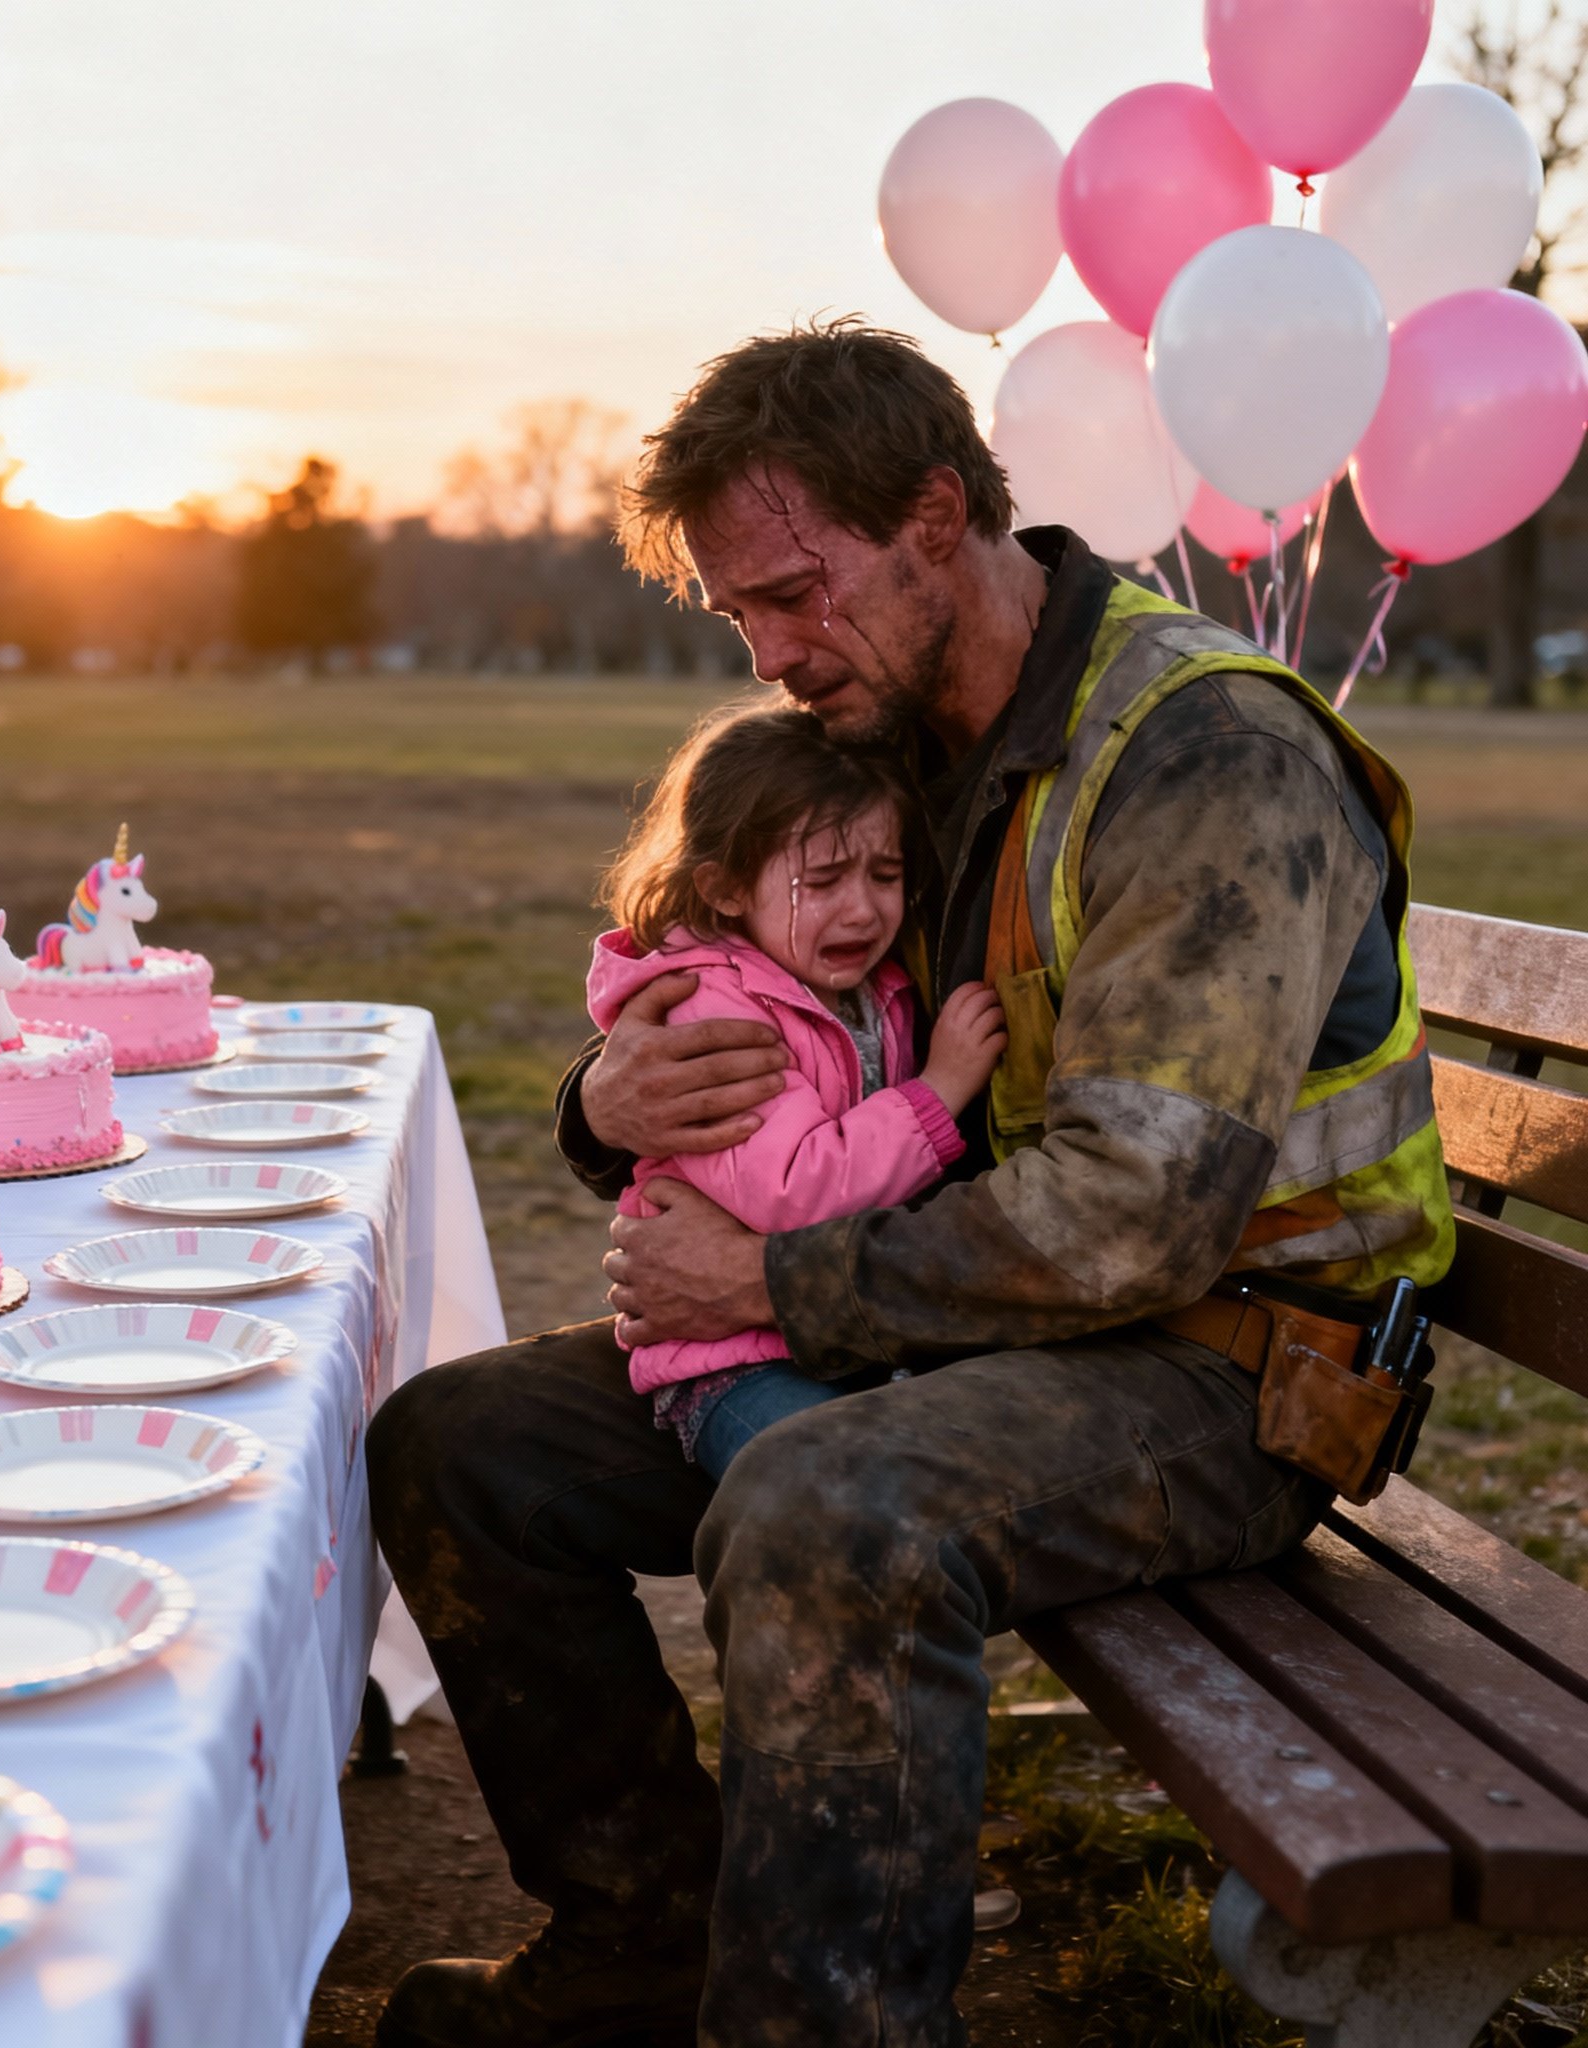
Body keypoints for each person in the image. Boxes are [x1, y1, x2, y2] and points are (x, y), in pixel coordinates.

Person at [368, 318, 1454, 2048]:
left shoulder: (1200, 756)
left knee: (825, 1508)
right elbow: (732, 984)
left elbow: (1131, 1214)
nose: (776, 655)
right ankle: (642, 1935)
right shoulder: (894, 737)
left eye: (798, 595)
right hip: (964, 1314)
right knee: (461, 1443)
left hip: (1230, 1366)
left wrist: (779, 1289)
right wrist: (604, 1099)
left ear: (937, 515)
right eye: (742, 618)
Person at [585, 701, 1005, 1477]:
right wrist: (939, 1092)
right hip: (734, 1363)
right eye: (823, 880)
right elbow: (796, 1189)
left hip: (847, 1332)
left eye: (886, 874)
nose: (863, 908)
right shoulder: (710, 1011)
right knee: (828, 1489)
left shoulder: (869, 986)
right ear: (725, 887)